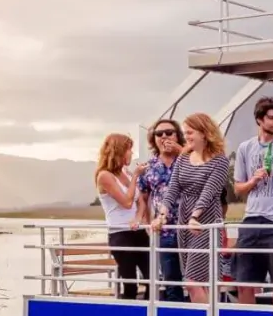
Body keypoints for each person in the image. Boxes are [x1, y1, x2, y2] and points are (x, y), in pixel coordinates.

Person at [153, 112, 231, 305]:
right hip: (184, 222)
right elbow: (173, 190)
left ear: (204, 133)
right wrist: (162, 215)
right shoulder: (183, 158)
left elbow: (210, 192)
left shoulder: (220, 160)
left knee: (192, 281)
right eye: (185, 132)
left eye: (190, 132)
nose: (186, 137)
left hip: (206, 222)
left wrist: (195, 216)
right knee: (197, 279)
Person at [230, 97, 273, 304]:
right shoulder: (246, 148)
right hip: (251, 219)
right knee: (244, 281)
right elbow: (238, 188)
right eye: (271, 118)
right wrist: (254, 180)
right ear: (259, 120)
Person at [94, 133, 149, 300]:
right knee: (130, 283)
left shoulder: (127, 173)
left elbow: (141, 202)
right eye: (129, 150)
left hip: (137, 232)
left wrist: (138, 218)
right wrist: (136, 177)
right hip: (120, 235)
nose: (131, 154)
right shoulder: (104, 176)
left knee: (150, 279)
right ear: (119, 151)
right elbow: (126, 202)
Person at [136, 118, 185, 300]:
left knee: (196, 279)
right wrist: (147, 223)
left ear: (177, 135)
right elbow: (143, 198)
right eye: (159, 133)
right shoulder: (149, 167)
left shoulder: (189, 160)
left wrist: (181, 150)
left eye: (169, 132)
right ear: (154, 138)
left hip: (190, 229)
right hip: (163, 231)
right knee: (171, 278)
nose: (164, 136)